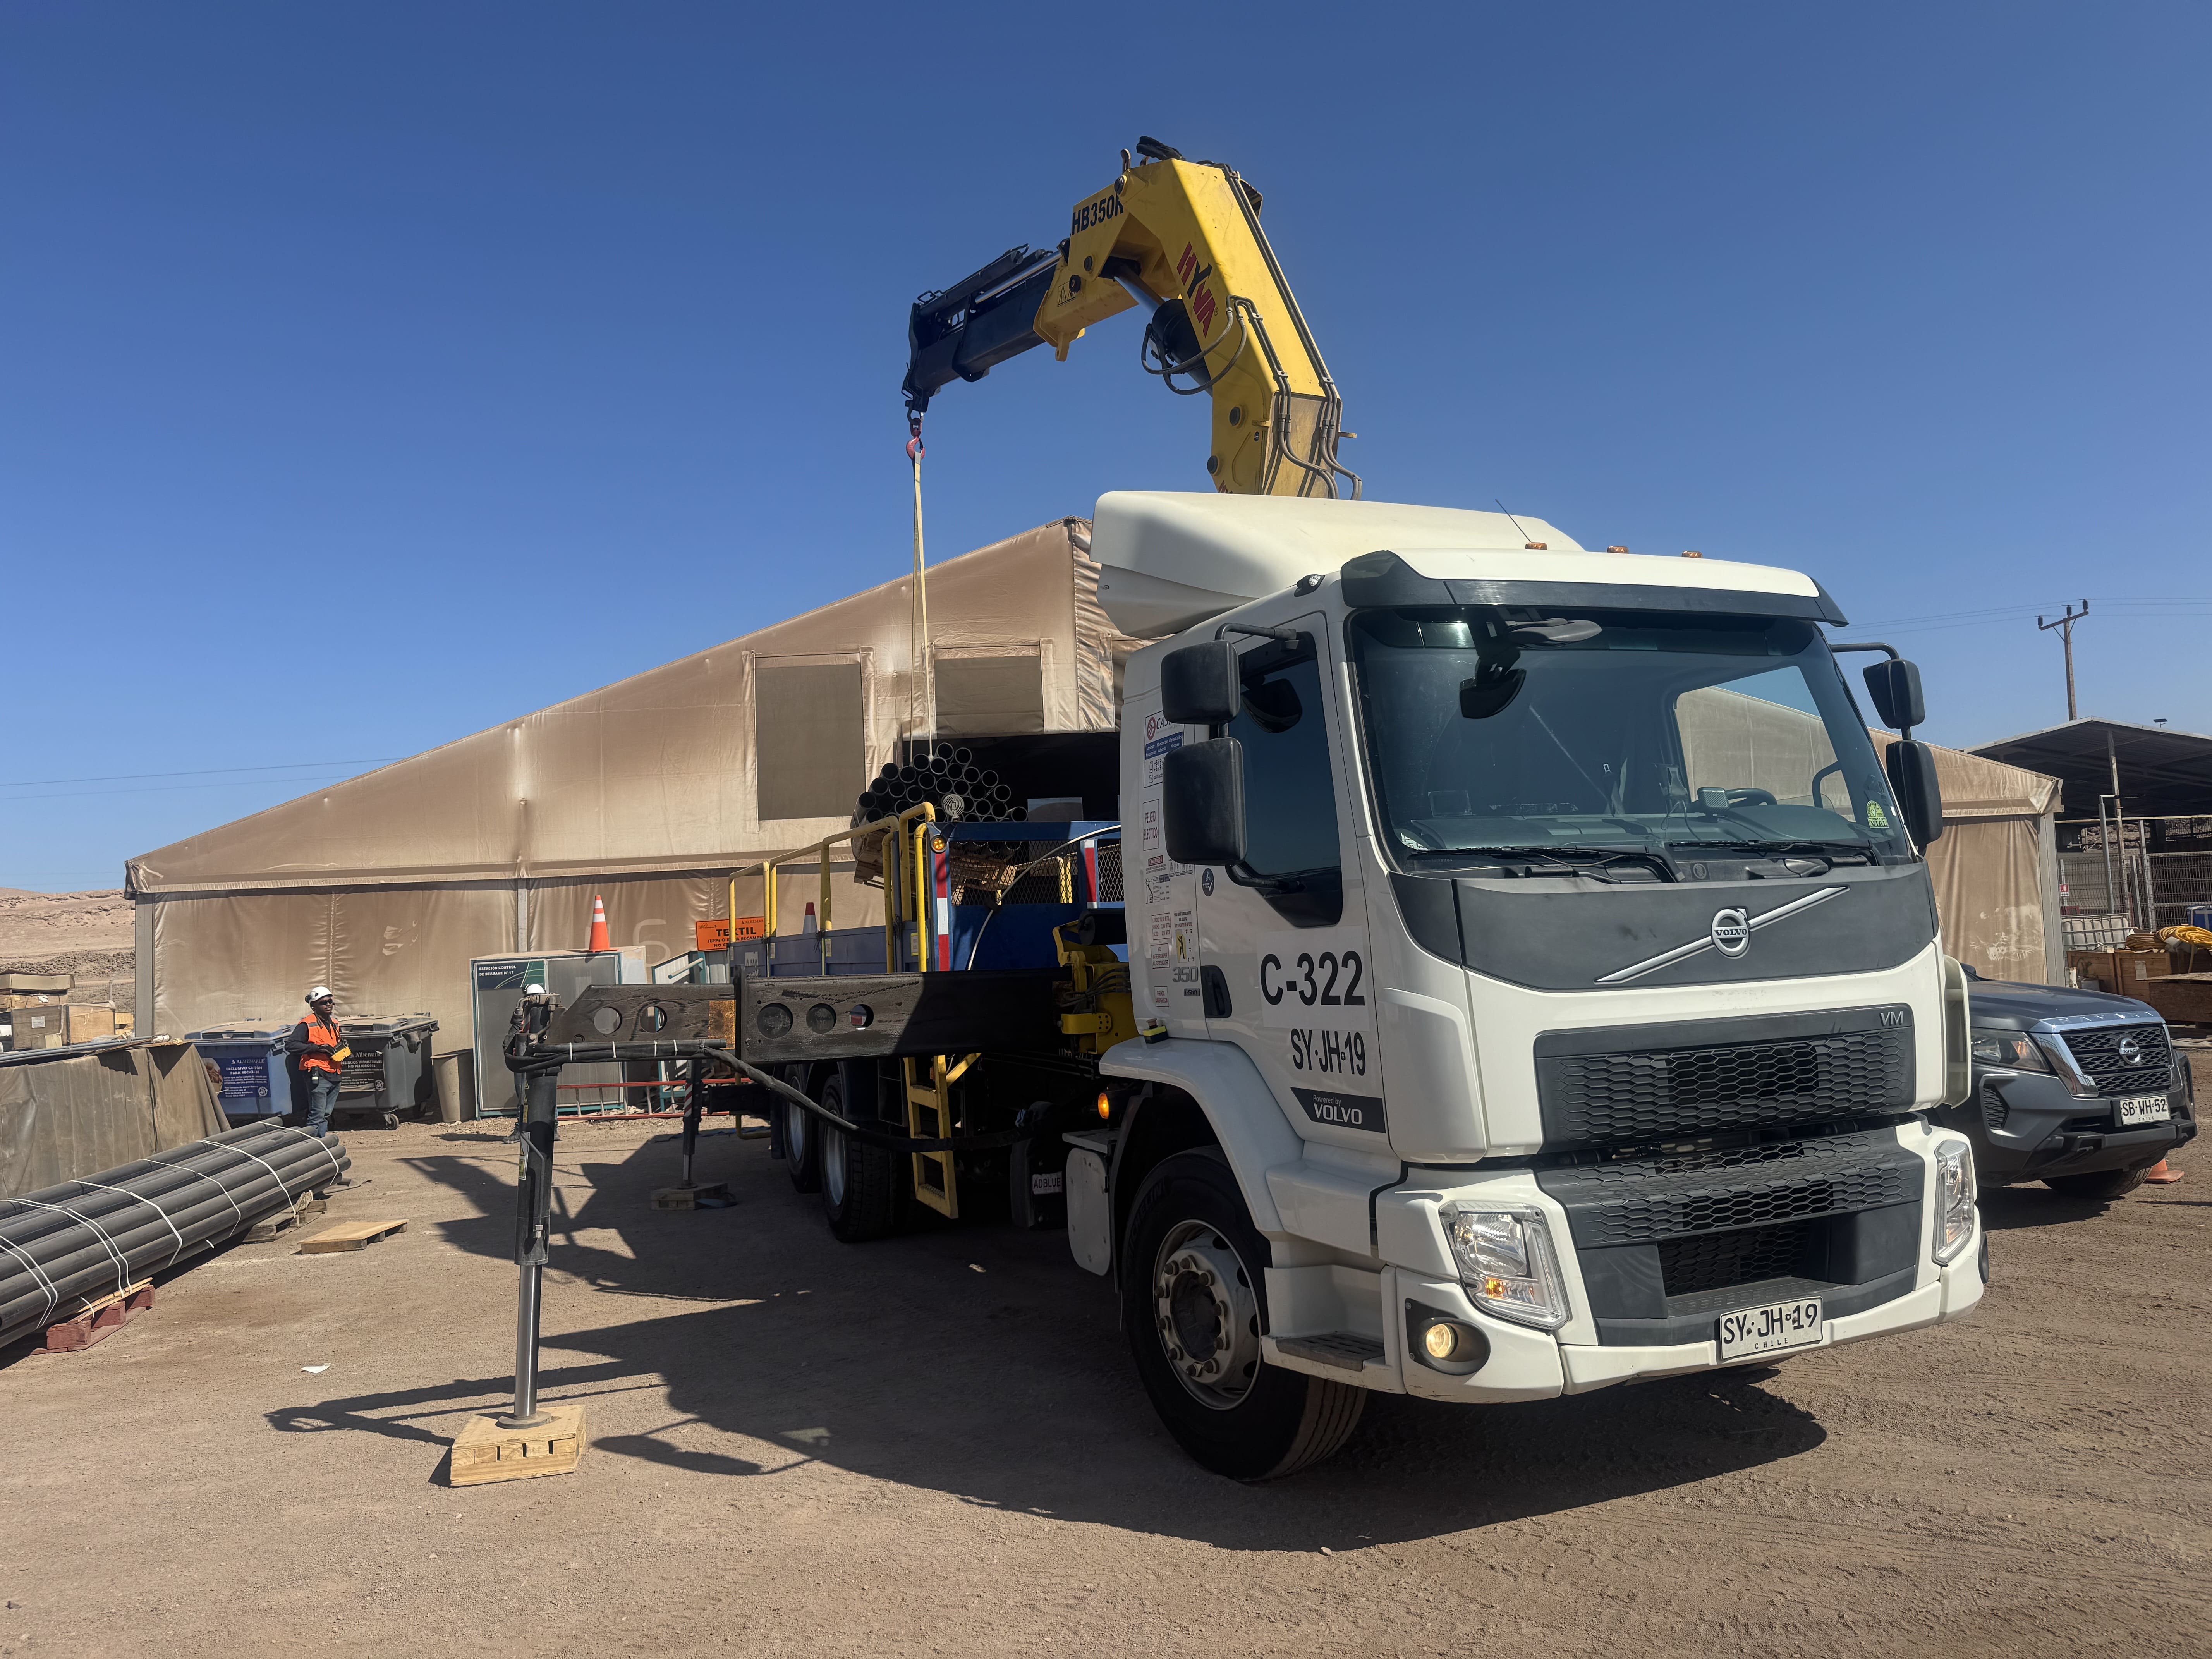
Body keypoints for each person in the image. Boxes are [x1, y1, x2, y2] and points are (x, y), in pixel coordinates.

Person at [285, 986, 356, 1190]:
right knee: (317, 1117)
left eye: (331, 1001)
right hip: (318, 1074)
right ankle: (313, 1155)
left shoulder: (334, 1023)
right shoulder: (307, 1024)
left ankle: (320, 1151)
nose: (329, 1005)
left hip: (334, 1072)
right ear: (314, 1005)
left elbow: (334, 1043)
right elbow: (291, 1045)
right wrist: (316, 1048)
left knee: (325, 1114)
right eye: (325, 1002)